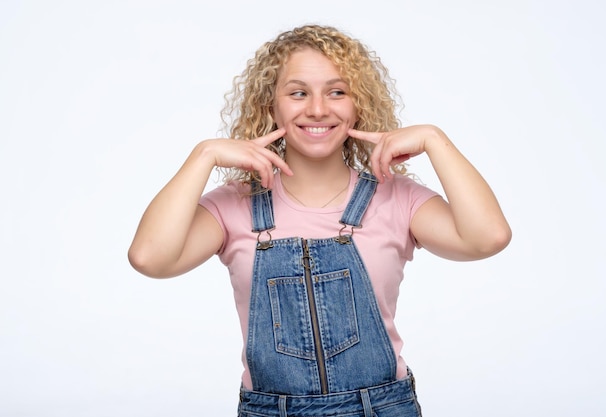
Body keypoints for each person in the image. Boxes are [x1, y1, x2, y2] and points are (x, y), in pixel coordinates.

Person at [128, 24, 511, 417]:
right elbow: (149, 258)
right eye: (298, 93)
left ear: (358, 103)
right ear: (270, 106)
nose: (317, 109)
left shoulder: (396, 198)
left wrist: (434, 140)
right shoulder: (234, 206)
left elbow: (489, 237)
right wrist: (203, 155)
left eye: (337, 91)